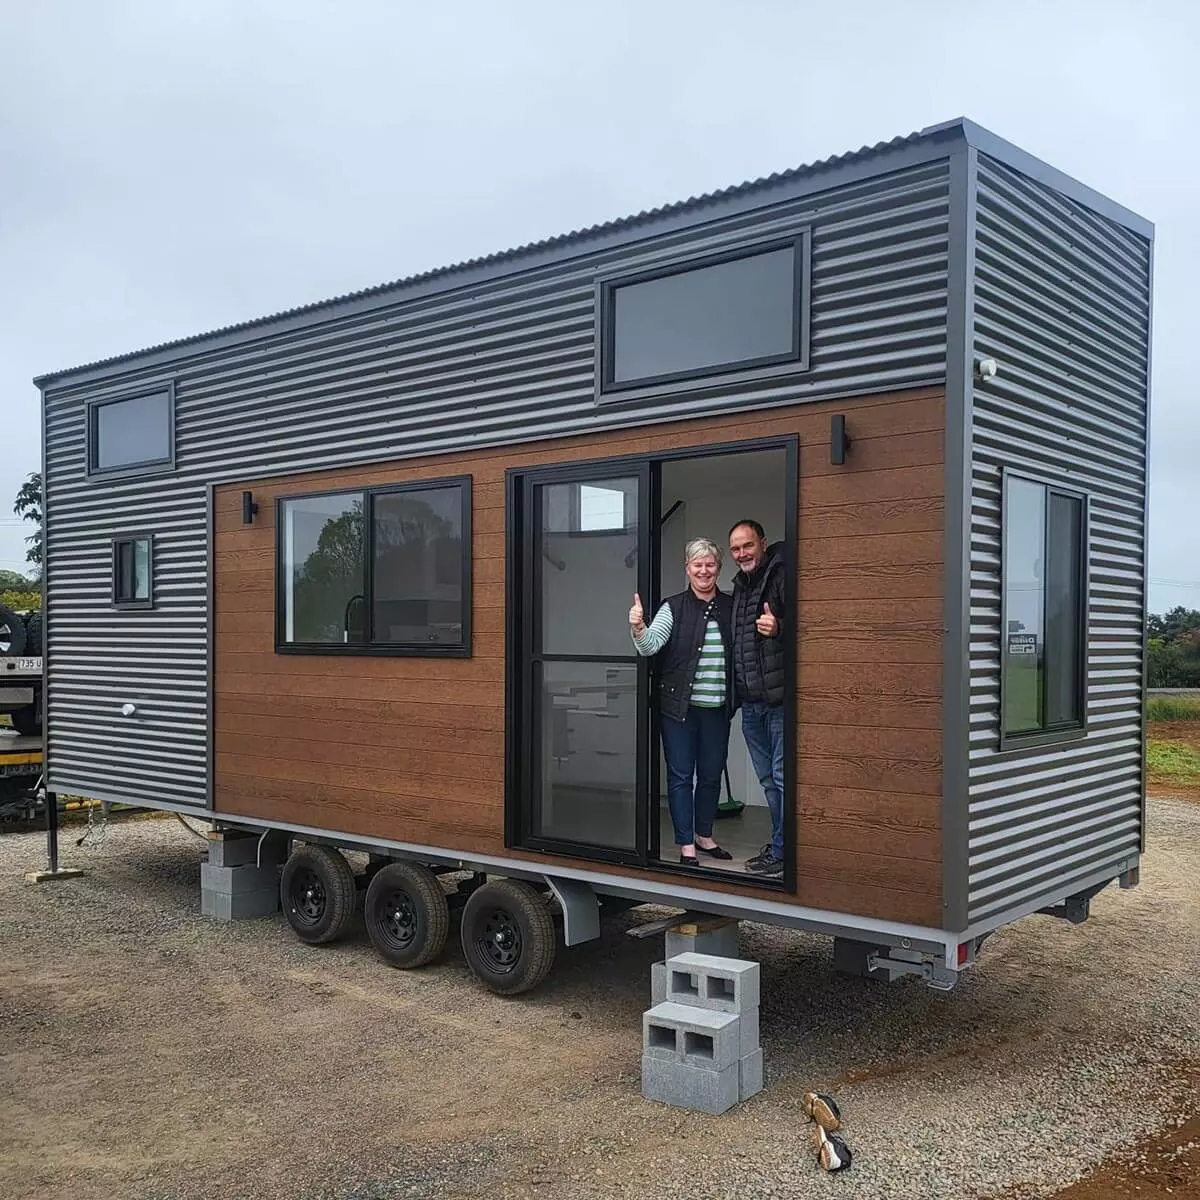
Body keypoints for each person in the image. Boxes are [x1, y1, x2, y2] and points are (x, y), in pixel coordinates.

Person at [629, 537, 735, 867]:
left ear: (719, 568)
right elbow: (650, 646)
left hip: (717, 708)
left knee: (710, 775)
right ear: (687, 569)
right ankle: (686, 843)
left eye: (710, 564)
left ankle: (705, 836)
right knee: (680, 775)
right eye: (697, 565)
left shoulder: (732, 606)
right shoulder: (673, 607)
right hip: (678, 710)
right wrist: (637, 627)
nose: (704, 570)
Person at [728, 519, 787, 877]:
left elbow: (807, 621)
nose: (742, 554)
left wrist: (778, 627)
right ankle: (780, 842)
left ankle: (783, 850)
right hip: (751, 704)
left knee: (781, 777)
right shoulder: (739, 588)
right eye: (735, 549)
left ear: (762, 543)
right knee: (767, 779)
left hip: (778, 702)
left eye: (747, 546)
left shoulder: (779, 575)